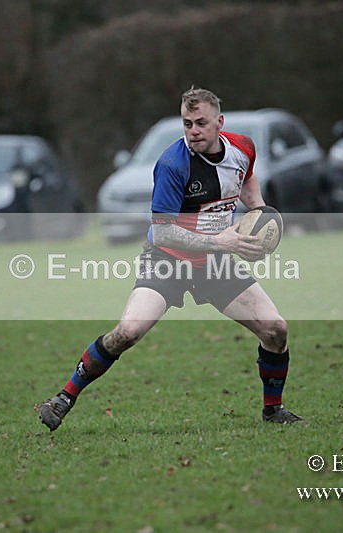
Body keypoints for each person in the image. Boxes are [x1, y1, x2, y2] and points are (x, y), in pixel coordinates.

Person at [38, 87, 302, 430]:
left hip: (215, 265)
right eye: (187, 123)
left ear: (219, 122)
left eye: (201, 123)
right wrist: (220, 241)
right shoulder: (172, 165)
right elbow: (162, 232)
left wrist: (258, 216)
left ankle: (273, 410)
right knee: (128, 332)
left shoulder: (243, 147)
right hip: (167, 261)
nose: (193, 131)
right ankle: (64, 397)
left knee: (275, 329)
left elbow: (247, 177)